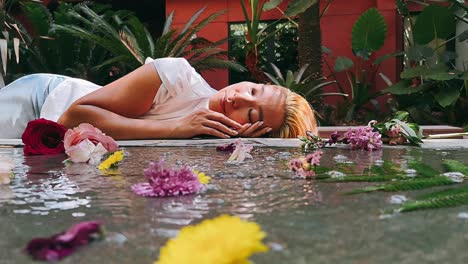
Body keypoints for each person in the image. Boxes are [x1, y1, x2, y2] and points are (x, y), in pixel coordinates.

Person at [0, 57, 317, 139]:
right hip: (37, 102)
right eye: (253, 90)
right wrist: (175, 128)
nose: (239, 100)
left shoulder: (209, 142)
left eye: (251, 116)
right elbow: (75, 117)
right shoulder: (175, 77)